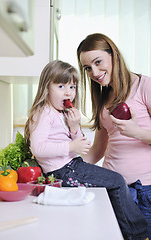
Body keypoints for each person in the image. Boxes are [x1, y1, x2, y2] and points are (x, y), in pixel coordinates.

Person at [24, 60, 148, 240]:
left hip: (72, 165)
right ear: (46, 88)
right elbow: (38, 148)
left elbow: (77, 148)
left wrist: (74, 128)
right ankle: (137, 233)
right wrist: (71, 146)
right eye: (61, 86)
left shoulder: (61, 113)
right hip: (63, 170)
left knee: (112, 183)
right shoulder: (43, 112)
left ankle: (129, 231)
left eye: (72, 87)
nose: (68, 92)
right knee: (117, 180)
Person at [77, 33, 151, 239]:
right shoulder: (102, 99)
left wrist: (137, 132)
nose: (94, 72)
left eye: (98, 62)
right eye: (87, 68)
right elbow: (97, 150)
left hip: (145, 191)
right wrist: (64, 167)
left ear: (114, 55)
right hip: (111, 190)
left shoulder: (144, 85)